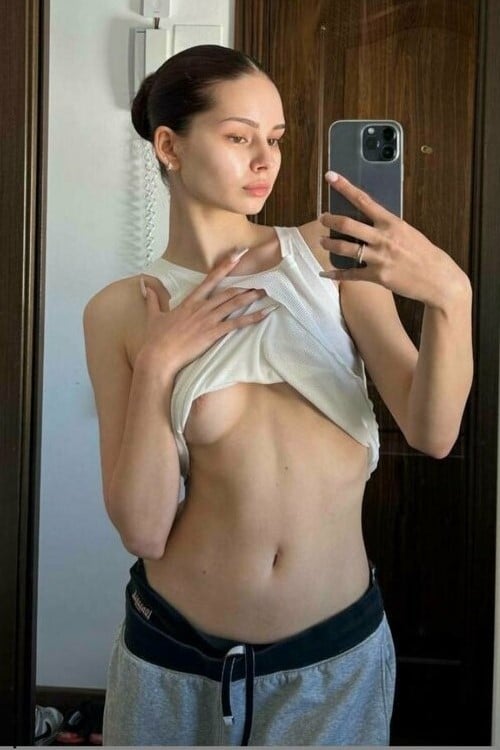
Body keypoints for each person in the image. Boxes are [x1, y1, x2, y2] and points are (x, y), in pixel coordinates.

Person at [82, 44, 473, 746]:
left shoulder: (334, 257)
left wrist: (452, 296)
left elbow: (433, 431)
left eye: (277, 139)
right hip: (175, 662)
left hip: (334, 665)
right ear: (169, 146)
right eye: (239, 138)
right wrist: (160, 364)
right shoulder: (121, 311)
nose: (266, 160)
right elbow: (143, 531)